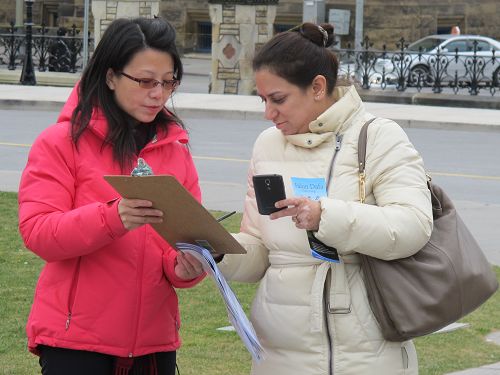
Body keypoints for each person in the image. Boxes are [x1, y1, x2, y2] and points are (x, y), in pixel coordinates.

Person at [217, 23, 433, 374]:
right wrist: (217, 252)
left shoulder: (379, 136)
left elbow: (412, 227)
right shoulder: (266, 145)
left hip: (365, 356)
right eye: (263, 100)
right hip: (278, 356)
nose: (268, 114)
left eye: (278, 99)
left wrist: (325, 217)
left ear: (318, 87)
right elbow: (259, 251)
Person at [18, 17, 205, 375]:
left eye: (168, 83)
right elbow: (38, 233)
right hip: (76, 344)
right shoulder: (60, 142)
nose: (158, 94)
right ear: (110, 76)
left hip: (154, 345)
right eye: (146, 81)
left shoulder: (175, 148)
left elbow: (179, 243)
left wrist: (186, 266)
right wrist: (112, 218)